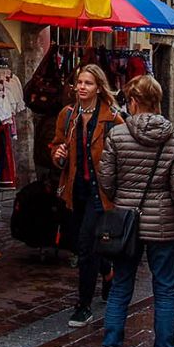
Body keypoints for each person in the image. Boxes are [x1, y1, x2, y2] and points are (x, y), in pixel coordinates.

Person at [97, 74, 174, 347]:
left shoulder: (117, 136)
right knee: (164, 288)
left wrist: (122, 198)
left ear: (133, 102)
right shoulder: (173, 138)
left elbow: (106, 180)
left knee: (121, 285)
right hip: (162, 220)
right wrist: (171, 207)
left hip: (126, 219)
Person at [50, 64, 123, 328]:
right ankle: (108, 272)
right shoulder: (67, 115)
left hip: (100, 191)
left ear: (99, 87)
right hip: (75, 190)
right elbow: (58, 145)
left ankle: (83, 306)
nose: (81, 87)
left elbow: (121, 156)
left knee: (85, 246)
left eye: (88, 83)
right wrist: (58, 156)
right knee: (83, 242)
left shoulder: (112, 119)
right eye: (79, 82)